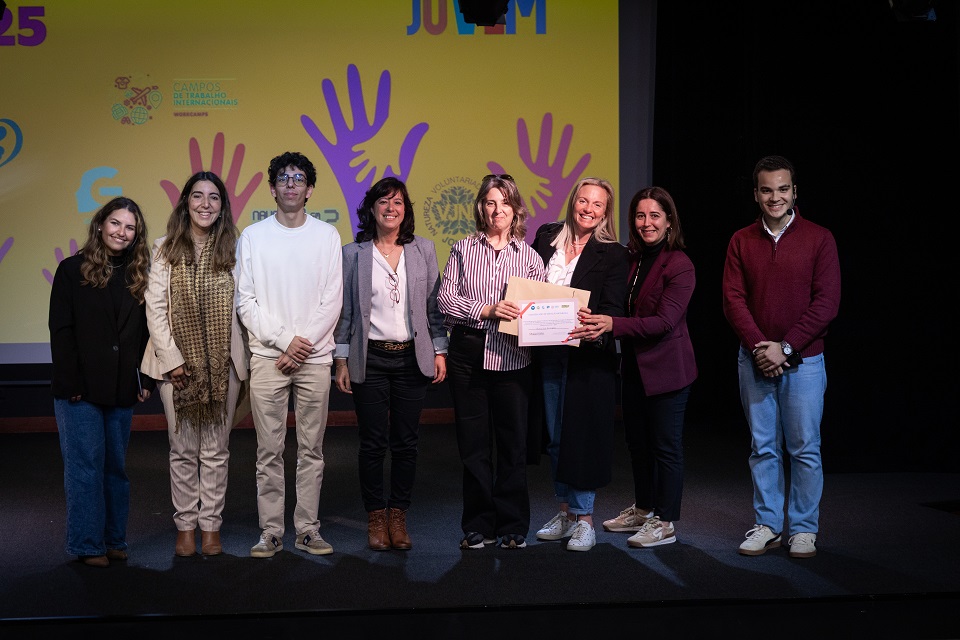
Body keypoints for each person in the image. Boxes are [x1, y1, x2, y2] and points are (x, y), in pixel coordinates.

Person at [722, 155, 840, 558]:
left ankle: (803, 529)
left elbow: (826, 303)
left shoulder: (820, 238)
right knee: (763, 448)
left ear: (794, 192)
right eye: (767, 190)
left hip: (804, 362)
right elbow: (733, 300)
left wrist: (786, 347)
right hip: (755, 360)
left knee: (804, 448)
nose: (776, 197)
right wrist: (761, 347)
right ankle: (769, 524)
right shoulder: (741, 240)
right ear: (756, 195)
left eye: (783, 189)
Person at [235, 151, 343, 558]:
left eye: (299, 178)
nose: (291, 184)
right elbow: (245, 301)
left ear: (310, 189)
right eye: (284, 178)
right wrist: (284, 341)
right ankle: (271, 532)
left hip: (313, 358)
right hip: (268, 358)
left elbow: (332, 301)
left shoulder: (327, 236)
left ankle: (308, 530)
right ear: (273, 188)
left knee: (312, 450)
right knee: (269, 451)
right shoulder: (253, 236)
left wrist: (301, 346)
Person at [577, 186, 697, 548]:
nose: (647, 223)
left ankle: (666, 522)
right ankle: (644, 509)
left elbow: (664, 322)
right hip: (633, 369)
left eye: (655, 216)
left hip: (668, 372)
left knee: (666, 448)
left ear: (669, 221)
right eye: (640, 216)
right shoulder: (630, 259)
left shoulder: (680, 264)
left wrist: (612, 324)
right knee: (638, 445)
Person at [334, 177, 448, 551]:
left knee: (406, 443)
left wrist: (440, 350)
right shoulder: (353, 253)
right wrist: (341, 359)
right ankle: (375, 517)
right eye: (383, 201)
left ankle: (398, 515)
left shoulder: (423, 249)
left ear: (405, 210)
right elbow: (346, 312)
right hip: (371, 358)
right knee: (372, 443)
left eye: (397, 202)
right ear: (372, 208)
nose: (390, 208)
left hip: (412, 359)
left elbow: (433, 306)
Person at [141, 171, 248, 558]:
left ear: (222, 206)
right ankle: (185, 525)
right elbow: (155, 310)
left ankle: (211, 527)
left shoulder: (236, 249)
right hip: (175, 367)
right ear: (186, 203)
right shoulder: (163, 248)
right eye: (198, 196)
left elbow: (246, 305)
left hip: (225, 364)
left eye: (214, 197)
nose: (206, 204)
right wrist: (172, 360)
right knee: (183, 449)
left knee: (217, 451)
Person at [437, 173, 545, 550]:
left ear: (516, 209)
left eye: (504, 203)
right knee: (474, 447)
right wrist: (487, 309)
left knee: (513, 447)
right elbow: (445, 301)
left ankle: (513, 525)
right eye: (490, 203)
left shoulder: (530, 257)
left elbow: (540, 311)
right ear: (481, 208)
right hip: (468, 355)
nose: (497, 210)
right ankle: (478, 525)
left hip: (514, 358)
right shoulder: (463, 249)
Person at [49, 196, 155, 567]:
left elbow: (146, 335)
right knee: (85, 468)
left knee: (115, 470)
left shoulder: (140, 276)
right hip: (79, 390)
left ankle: (113, 540)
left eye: (130, 227)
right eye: (115, 223)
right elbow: (61, 331)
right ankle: (88, 544)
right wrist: (71, 383)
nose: (121, 232)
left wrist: (146, 380)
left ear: (136, 235)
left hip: (122, 388)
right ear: (100, 224)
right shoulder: (70, 270)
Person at [530, 178, 628, 552]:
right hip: (548, 353)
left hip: (588, 358)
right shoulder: (546, 238)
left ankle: (585, 519)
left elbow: (614, 310)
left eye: (597, 204)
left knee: (581, 437)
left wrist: (595, 324)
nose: (588, 209)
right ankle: (565, 514)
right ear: (573, 202)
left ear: (605, 212)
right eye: (583, 201)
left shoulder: (614, 254)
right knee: (556, 437)